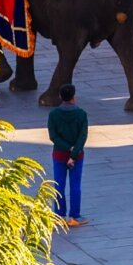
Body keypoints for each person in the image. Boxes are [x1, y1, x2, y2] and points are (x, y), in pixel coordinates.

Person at [46, 84, 86, 227]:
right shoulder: (81, 114)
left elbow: (53, 136)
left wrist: (67, 148)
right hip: (77, 157)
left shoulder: (54, 115)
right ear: (73, 97)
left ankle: (59, 215)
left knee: (59, 185)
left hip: (59, 155)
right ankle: (74, 216)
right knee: (75, 185)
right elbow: (82, 137)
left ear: (61, 97)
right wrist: (73, 154)